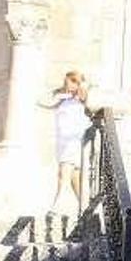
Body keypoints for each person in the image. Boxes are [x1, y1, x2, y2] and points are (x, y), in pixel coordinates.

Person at [38, 71, 92, 218]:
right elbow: (42, 101)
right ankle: (86, 207)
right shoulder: (62, 99)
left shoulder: (84, 99)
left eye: (70, 81)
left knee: (63, 174)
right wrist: (60, 93)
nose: (67, 84)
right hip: (62, 141)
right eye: (66, 81)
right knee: (75, 176)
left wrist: (82, 87)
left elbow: (92, 104)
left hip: (74, 141)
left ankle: (57, 206)